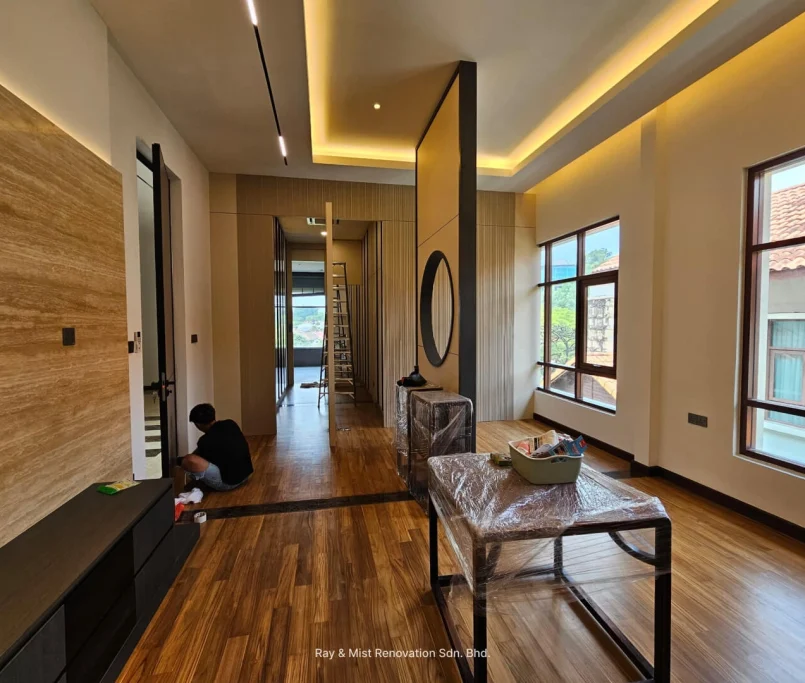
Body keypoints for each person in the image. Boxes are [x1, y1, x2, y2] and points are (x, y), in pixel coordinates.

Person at [180, 403, 253, 491]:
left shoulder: (204, 441)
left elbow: (202, 462)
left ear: (198, 425)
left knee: (189, 460)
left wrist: (181, 461)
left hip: (229, 483)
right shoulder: (230, 424)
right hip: (246, 474)